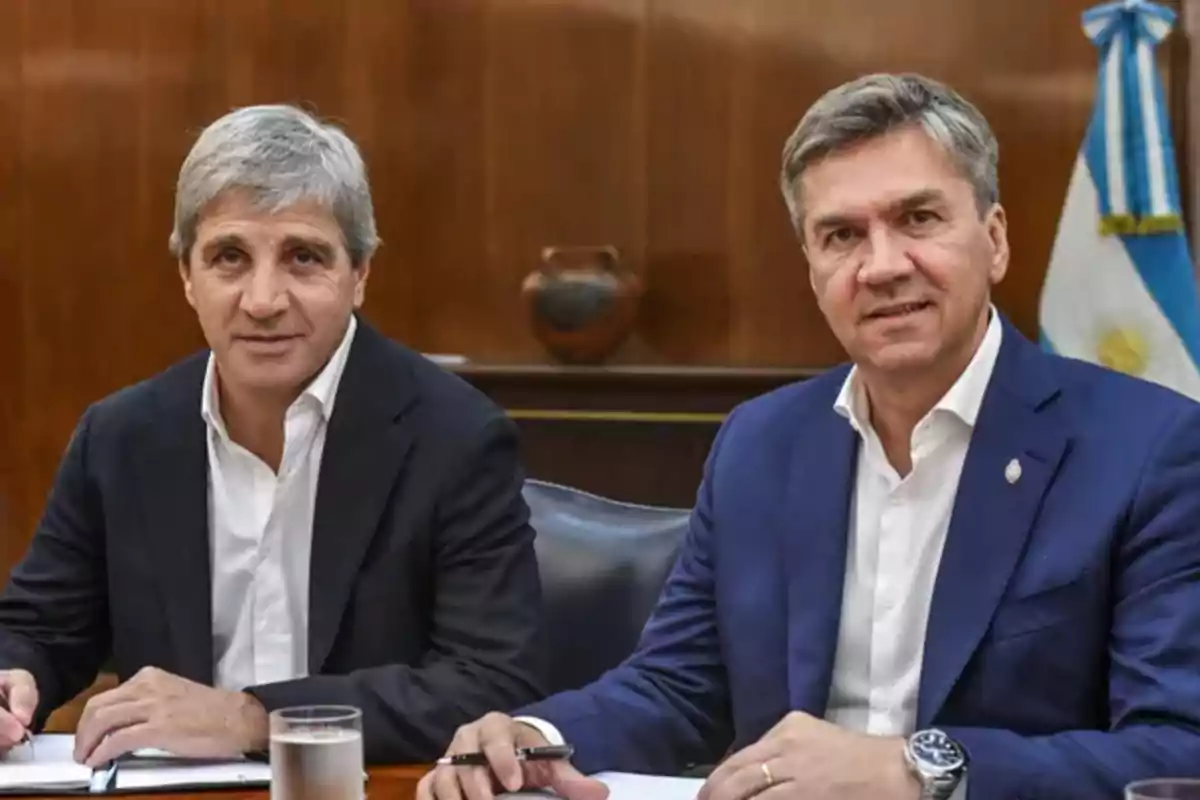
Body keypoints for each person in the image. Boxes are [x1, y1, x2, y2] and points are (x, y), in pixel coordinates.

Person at [418, 73, 1200, 800]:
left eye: (918, 219)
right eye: (841, 236)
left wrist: (918, 769)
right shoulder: (761, 443)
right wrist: (533, 738)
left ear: (993, 239)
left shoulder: (1146, 449)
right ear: (812, 267)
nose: (883, 266)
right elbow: (678, 685)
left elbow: (1177, 749)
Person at [0, 104, 547, 766]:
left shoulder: (455, 437)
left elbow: (490, 682)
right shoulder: (121, 437)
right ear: (186, 276)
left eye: (303, 257)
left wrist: (254, 717)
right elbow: (39, 629)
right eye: (229, 256)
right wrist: (15, 679)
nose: (263, 300)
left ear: (360, 274)